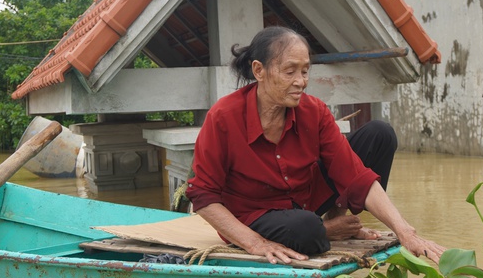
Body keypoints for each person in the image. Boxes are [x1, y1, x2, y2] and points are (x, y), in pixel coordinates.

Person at [185, 26, 445, 265]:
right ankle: (329, 230)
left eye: (305, 70)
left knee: (379, 134)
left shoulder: (314, 111)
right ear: (259, 70)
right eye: (290, 71)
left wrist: (406, 232)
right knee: (306, 227)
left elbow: (355, 174)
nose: (301, 81)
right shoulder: (224, 116)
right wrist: (255, 243)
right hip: (254, 216)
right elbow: (203, 196)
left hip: (304, 201)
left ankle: (336, 222)